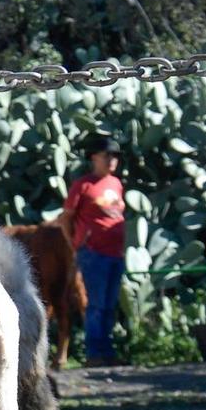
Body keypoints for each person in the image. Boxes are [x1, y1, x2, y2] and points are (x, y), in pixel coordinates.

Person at [59, 133, 127, 366]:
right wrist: (75, 244)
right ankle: (95, 354)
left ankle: (106, 351)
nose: (112, 160)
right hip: (93, 253)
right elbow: (66, 218)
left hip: (116, 254)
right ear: (94, 157)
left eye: (115, 155)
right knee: (96, 305)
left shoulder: (116, 184)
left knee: (109, 305)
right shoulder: (83, 185)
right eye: (107, 155)